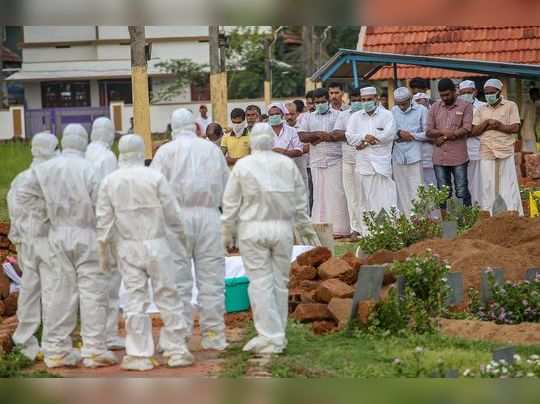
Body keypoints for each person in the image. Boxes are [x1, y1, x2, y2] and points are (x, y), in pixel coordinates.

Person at [17, 124, 116, 369]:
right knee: (92, 293)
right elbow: (103, 206)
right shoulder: (90, 170)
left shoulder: (47, 169)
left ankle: (56, 350)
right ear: (83, 141)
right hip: (87, 234)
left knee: (57, 293)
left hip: (56, 234)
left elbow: (22, 194)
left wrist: (43, 215)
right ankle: (93, 349)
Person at [97, 135, 193, 371]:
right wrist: (182, 238)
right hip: (157, 244)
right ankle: (177, 350)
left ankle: (138, 354)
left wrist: (103, 251)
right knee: (168, 295)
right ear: (142, 150)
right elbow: (173, 214)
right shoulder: (155, 177)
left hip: (128, 246)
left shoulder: (110, 181)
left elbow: (104, 222)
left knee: (134, 298)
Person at [222, 123, 317, 354]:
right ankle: (278, 334)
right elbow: (300, 201)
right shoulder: (286, 164)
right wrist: (306, 231)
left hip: (253, 230)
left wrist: (227, 232)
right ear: (272, 141)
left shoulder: (243, 166)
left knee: (260, 283)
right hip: (282, 229)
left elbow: (231, 203)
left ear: (252, 141)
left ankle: (270, 336)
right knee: (279, 283)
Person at [152, 108, 230, 351]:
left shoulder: (164, 152)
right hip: (209, 216)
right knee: (212, 280)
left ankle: (178, 335)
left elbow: (154, 189)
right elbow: (227, 186)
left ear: (172, 127)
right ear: (196, 126)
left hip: (176, 219)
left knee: (177, 281)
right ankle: (214, 336)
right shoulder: (212, 150)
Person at [7, 132, 58, 361]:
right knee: (52, 290)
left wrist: (18, 236)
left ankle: (24, 341)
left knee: (29, 289)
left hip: (26, 242)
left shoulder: (20, 178)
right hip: (48, 241)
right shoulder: (54, 176)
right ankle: (52, 343)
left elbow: (13, 209)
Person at [85, 117, 124, 351]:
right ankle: (108, 335)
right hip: (104, 225)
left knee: (89, 283)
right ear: (107, 133)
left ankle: (92, 334)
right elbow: (110, 193)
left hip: (82, 224)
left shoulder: (85, 153)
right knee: (109, 282)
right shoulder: (107, 157)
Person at [298, 87, 350, 237]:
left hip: (335, 159)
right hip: (316, 161)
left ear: (328, 100)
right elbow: (302, 136)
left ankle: (341, 229)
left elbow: (338, 135)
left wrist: (317, 138)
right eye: (317, 102)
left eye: (322, 101)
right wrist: (318, 134)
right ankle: (321, 228)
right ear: (313, 103)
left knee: (338, 194)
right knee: (319, 195)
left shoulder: (338, 115)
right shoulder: (308, 117)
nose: (320, 104)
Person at [345, 86, 397, 235]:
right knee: (365, 201)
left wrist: (367, 140)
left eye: (369, 99)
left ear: (376, 99)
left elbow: (389, 134)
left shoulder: (387, 115)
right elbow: (349, 137)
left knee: (386, 199)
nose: (366, 102)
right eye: (363, 100)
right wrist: (363, 137)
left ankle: (388, 231)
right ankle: (370, 234)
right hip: (364, 165)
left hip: (381, 166)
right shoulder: (355, 117)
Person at [472, 78, 523, 215]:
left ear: (499, 92)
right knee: (487, 183)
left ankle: (511, 212)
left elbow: (515, 127)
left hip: (505, 149)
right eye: (486, 93)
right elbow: (473, 131)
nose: (488, 95)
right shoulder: (481, 109)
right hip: (486, 150)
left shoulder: (511, 105)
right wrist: (487, 123)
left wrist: (499, 126)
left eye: (491, 92)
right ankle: (490, 213)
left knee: (508, 182)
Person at [426, 78, 473, 210]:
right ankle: (448, 227)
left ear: (455, 91)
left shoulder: (466, 106)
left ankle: (466, 225)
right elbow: (428, 131)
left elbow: (466, 129)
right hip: (439, 158)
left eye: (447, 94)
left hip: (458, 157)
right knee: (443, 193)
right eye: (442, 95)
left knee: (461, 191)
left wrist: (444, 136)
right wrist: (441, 132)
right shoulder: (434, 107)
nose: (445, 98)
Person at [391, 87, 428, 216]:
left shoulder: (422, 110)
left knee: (417, 189)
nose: (401, 107)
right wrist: (399, 134)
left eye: (404, 104)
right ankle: (407, 222)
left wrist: (411, 135)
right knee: (402, 190)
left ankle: (420, 220)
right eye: (398, 104)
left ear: (410, 99)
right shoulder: (393, 111)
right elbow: (390, 133)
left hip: (415, 154)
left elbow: (427, 134)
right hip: (398, 155)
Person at [332, 87, 363, 236]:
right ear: (350, 100)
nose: (357, 102)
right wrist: (356, 136)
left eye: (359, 99)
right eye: (354, 99)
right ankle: (355, 229)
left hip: (365, 160)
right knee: (351, 196)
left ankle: (367, 228)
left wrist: (349, 136)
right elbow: (336, 134)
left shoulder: (368, 116)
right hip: (348, 160)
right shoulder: (344, 115)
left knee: (364, 195)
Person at [459, 80, 486, 206]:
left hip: (478, 150)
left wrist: (465, 131)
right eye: (463, 93)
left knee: (479, 183)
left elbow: (485, 128)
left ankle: (480, 209)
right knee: (464, 184)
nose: (466, 95)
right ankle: (467, 213)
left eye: (469, 92)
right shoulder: (455, 107)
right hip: (460, 152)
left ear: (475, 92)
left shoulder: (483, 107)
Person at [413, 92, 436, 186]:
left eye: (419, 100)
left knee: (433, 182)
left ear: (426, 100)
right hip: (417, 154)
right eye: (416, 101)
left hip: (432, 154)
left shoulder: (435, 111)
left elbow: (434, 134)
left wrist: (412, 135)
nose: (417, 103)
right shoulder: (413, 113)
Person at [521, 87, 539, 153]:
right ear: (532, 94)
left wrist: (535, 133)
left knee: (534, 151)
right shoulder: (526, 104)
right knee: (528, 152)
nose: (538, 95)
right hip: (526, 132)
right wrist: (518, 133)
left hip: (532, 132)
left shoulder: (535, 105)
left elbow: (534, 122)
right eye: (537, 94)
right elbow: (522, 118)